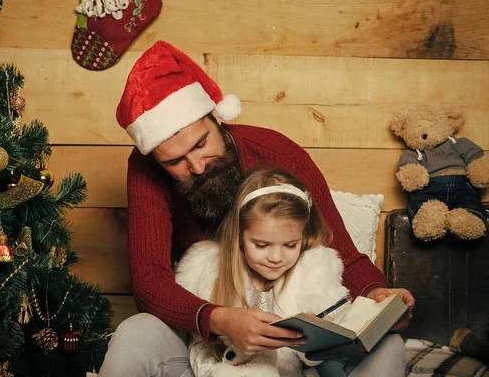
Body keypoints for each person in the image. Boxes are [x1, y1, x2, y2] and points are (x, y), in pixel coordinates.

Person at [97, 41, 414, 377]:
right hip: (209, 340)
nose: (197, 166)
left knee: (389, 345)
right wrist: (217, 319)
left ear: (216, 116)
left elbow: (343, 253)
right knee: (134, 332)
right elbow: (149, 279)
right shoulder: (146, 168)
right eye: (174, 161)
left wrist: (378, 296)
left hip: (295, 352)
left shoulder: (279, 154)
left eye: (201, 144)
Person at [175, 167, 374, 376]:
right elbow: (197, 349)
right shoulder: (207, 272)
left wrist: (317, 336)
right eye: (261, 245)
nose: (276, 258)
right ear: (239, 235)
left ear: (303, 236)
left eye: (290, 245)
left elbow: (329, 352)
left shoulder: (314, 272)